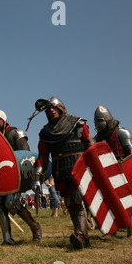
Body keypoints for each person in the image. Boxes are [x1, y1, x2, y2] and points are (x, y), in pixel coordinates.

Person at [31, 96, 93, 250]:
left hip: (80, 168)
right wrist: (37, 177)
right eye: (48, 109)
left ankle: (82, 234)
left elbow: (90, 145)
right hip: (62, 170)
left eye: (54, 107)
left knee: (80, 200)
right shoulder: (46, 133)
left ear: (61, 107)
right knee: (72, 203)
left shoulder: (77, 124)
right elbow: (43, 157)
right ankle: (82, 236)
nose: (51, 111)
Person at [0, 109, 42, 244]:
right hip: (0, 176)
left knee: (11, 204)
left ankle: (35, 228)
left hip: (16, 175)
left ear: (4, 120)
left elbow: (26, 156)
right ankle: (7, 239)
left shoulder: (15, 133)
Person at [93, 105, 132, 238]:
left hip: (124, 171)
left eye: (100, 120)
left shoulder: (122, 133)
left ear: (107, 119)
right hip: (107, 173)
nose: (98, 125)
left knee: (129, 201)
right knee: (109, 202)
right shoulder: (97, 138)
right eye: (96, 122)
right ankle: (111, 231)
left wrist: (121, 163)